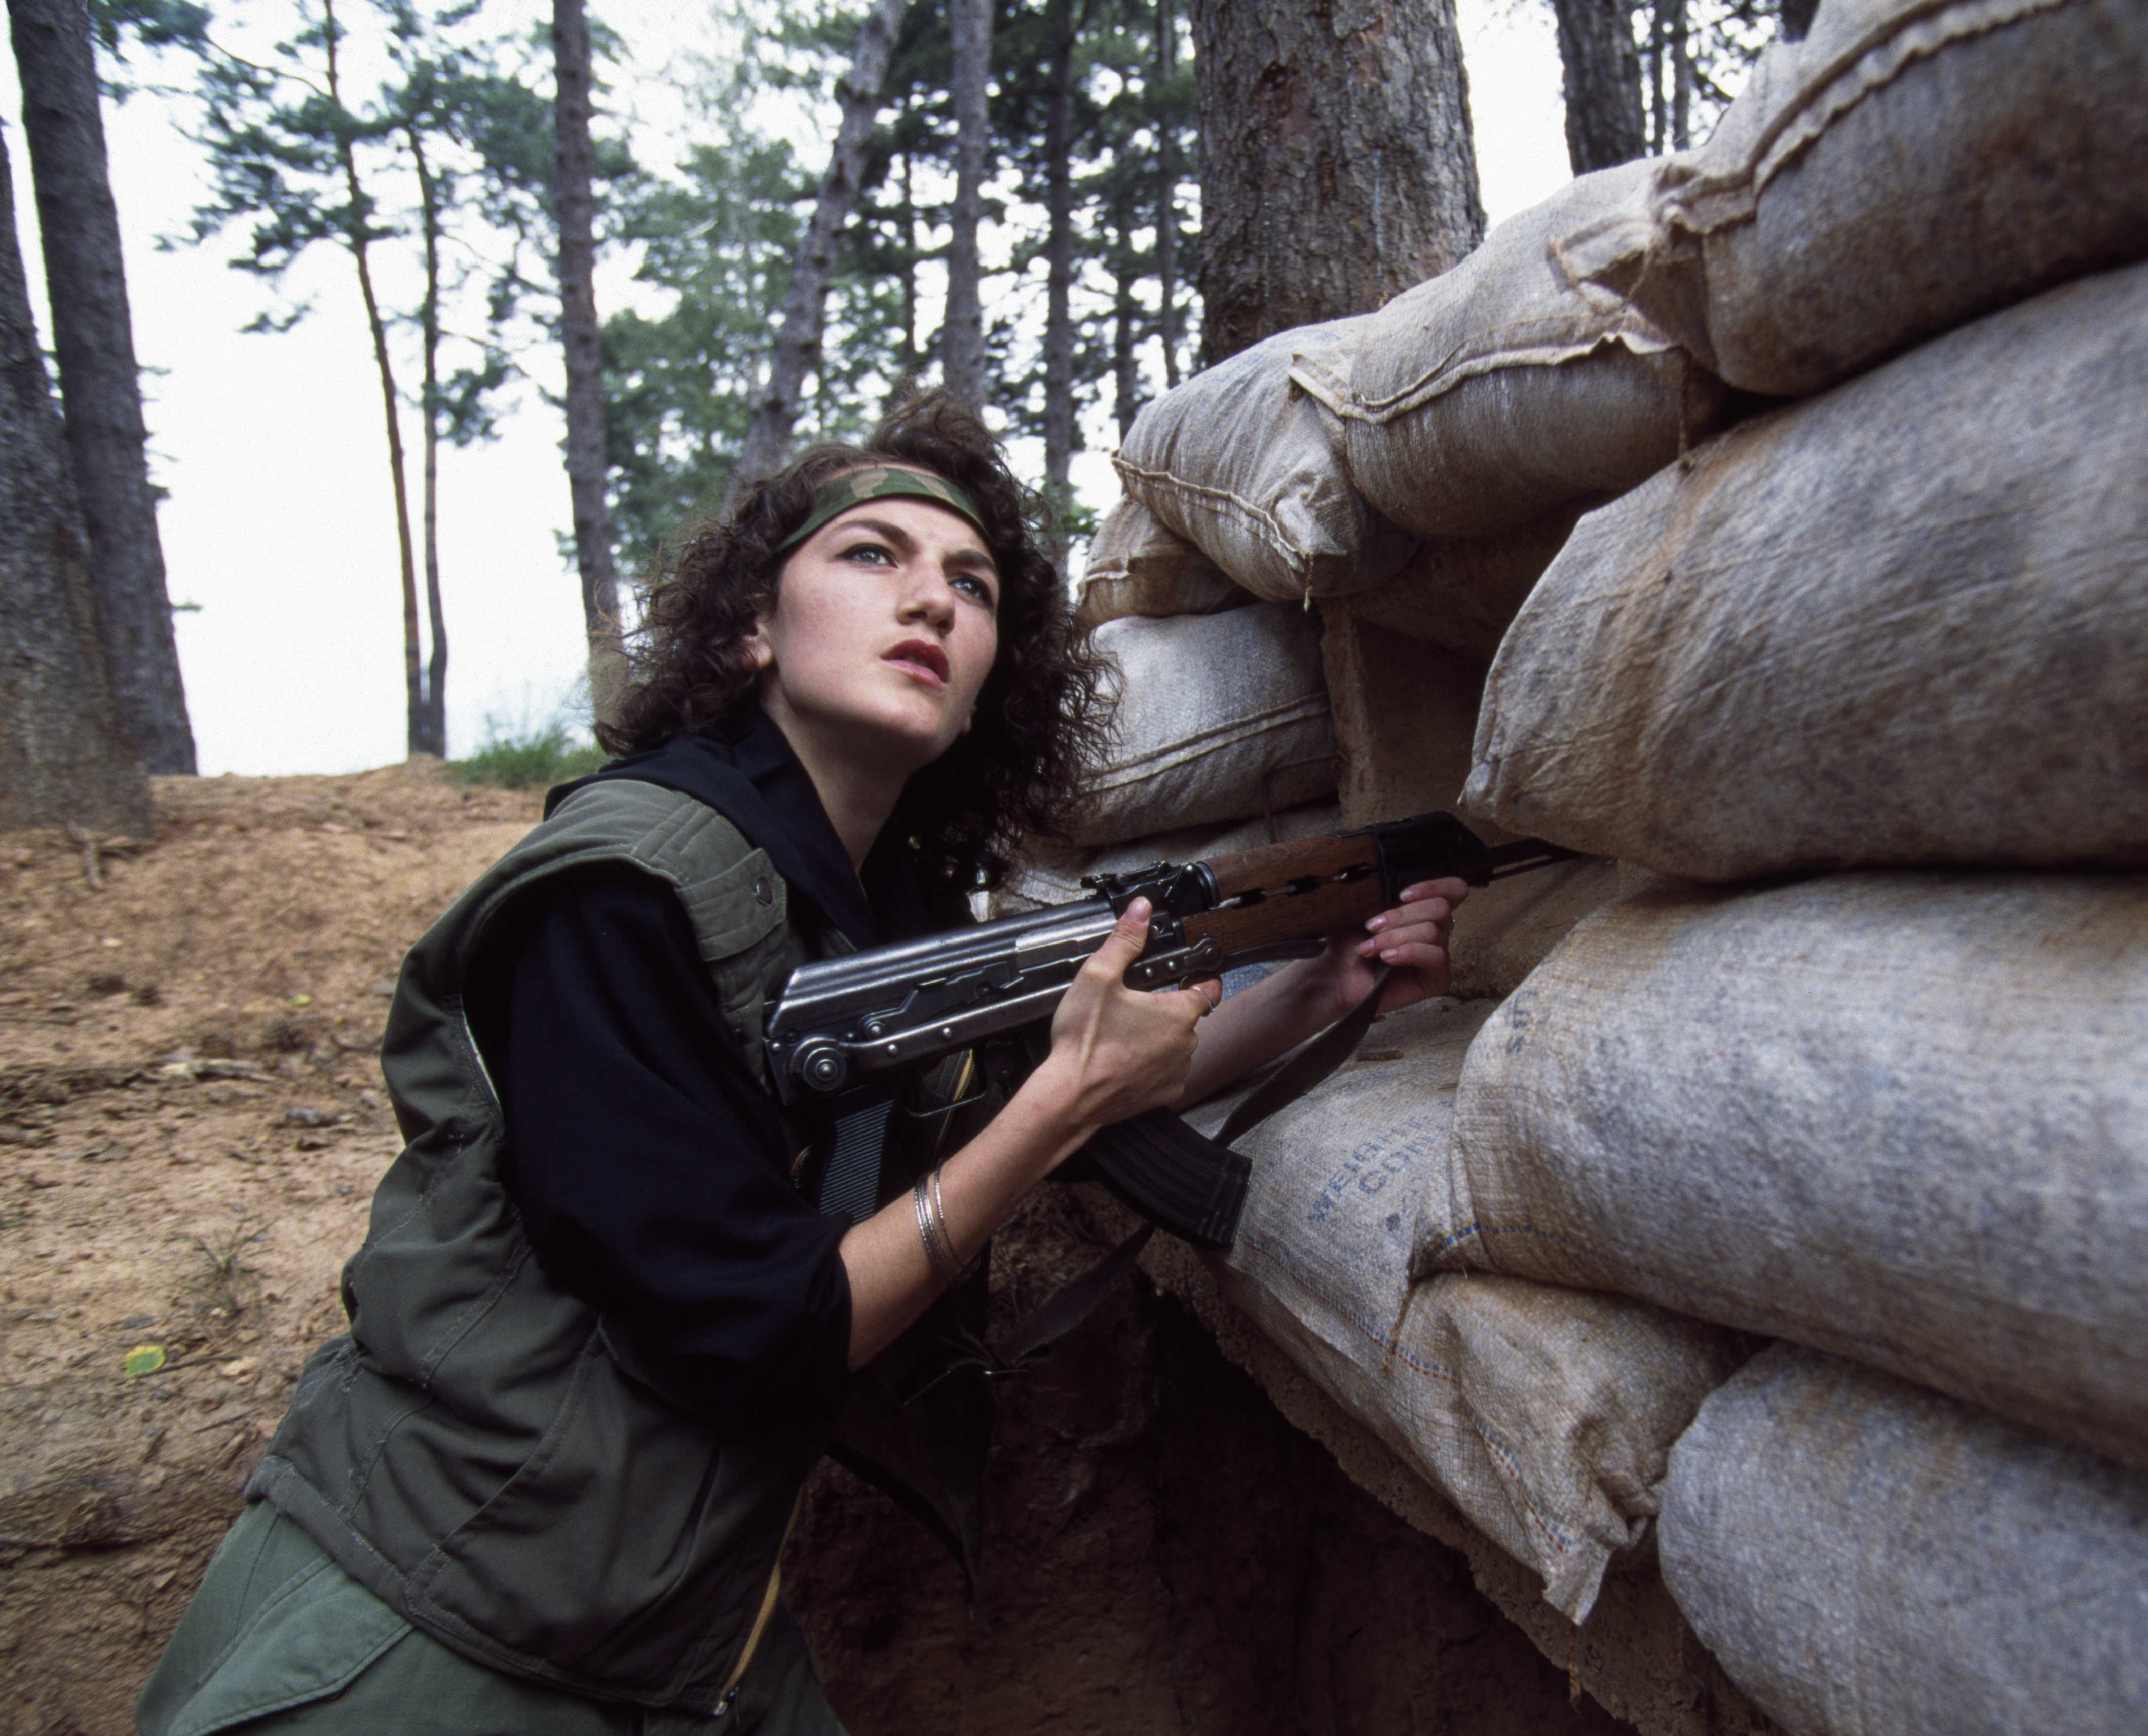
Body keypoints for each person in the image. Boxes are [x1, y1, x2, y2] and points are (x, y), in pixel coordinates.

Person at [134, 394, 1468, 1733]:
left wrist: (1312, 987)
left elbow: (1051, 1094)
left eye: (973, 585)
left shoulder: (873, 911)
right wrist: (1067, 1098)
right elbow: (763, 1328)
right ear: (752, 627)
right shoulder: (620, 892)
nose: (932, 603)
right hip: (438, 1626)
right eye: (870, 556)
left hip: (681, 1628)